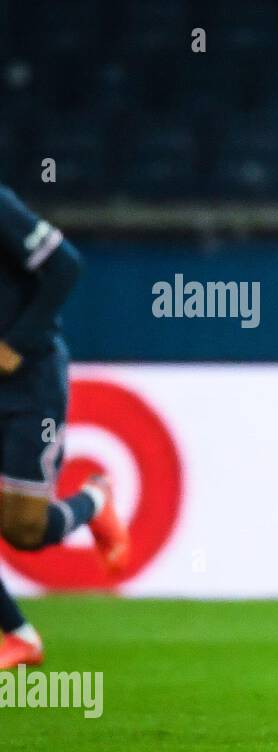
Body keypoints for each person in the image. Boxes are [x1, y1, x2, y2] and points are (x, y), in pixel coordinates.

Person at [0, 185, 128, 670]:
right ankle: (20, 635)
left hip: (29, 383)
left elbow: (65, 266)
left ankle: (95, 500)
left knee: (25, 530)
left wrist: (17, 340)